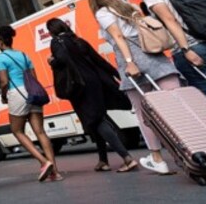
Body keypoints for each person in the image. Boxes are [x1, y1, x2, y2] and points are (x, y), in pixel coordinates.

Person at [88, 0, 181, 175]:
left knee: (143, 113)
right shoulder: (129, 8)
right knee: (177, 104)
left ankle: (157, 160)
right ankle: (192, 149)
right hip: (156, 57)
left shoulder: (102, 12)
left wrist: (130, 62)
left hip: (132, 60)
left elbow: (118, 37)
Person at [46, 18, 138, 173]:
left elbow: (61, 59)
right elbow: (99, 61)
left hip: (79, 87)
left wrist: (52, 61)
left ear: (52, 31)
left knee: (96, 121)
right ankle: (103, 160)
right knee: (95, 120)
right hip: (95, 84)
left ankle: (127, 158)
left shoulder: (57, 42)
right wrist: (117, 76)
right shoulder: (79, 41)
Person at [0, 26, 60, 182]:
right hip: (32, 92)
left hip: (17, 93)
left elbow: (4, 82)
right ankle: (55, 173)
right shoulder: (24, 55)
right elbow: (33, 77)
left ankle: (44, 162)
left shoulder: (1, 58)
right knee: (41, 132)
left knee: (17, 130)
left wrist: (4, 96)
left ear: (0, 42)